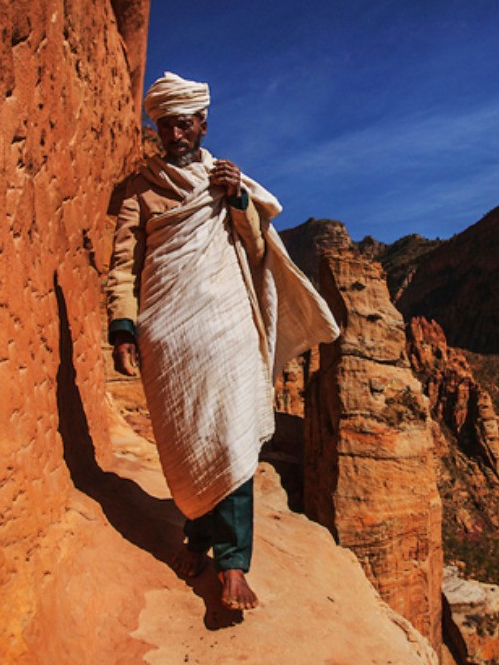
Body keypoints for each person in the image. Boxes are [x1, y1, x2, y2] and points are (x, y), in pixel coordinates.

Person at [106, 72, 339, 611]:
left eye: (183, 123)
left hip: (226, 325)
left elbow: (257, 249)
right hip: (170, 332)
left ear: (203, 124)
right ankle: (196, 537)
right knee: (190, 438)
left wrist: (237, 199)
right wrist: (123, 329)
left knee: (230, 439)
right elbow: (124, 265)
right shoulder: (141, 190)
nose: (174, 133)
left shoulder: (225, 179)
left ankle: (233, 566)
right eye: (164, 125)